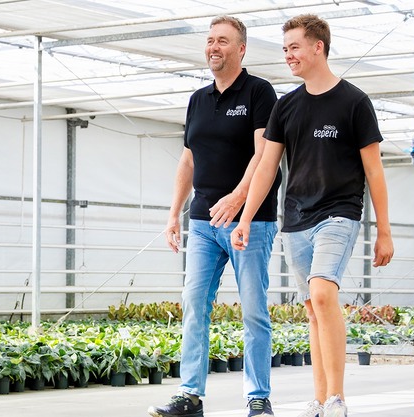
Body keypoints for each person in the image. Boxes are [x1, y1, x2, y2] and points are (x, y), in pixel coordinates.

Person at [230, 14, 394, 417]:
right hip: (296, 220)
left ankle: (337, 398)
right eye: (285, 49)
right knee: (312, 309)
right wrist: (246, 217)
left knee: (322, 294)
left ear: (318, 47)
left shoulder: (354, 102)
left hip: (339, 213)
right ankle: (319, 400)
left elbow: (374, 171)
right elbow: (266, 167)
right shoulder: (286, 106)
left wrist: (384, 231)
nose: (288, 55)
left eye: (295, 47)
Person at [147, 15, 282, 417]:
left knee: (253, 309)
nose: (213, 47)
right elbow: (188, 159)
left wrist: (238, 199)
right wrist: (174, 214)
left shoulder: (259, 92)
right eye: (209, 40)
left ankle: (258, 396)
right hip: (204, 222)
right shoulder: (198, 100)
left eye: (222, 40)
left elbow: (264, 155)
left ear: (241, 49)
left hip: (250, 221)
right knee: (194, 303)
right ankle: (190, 395)